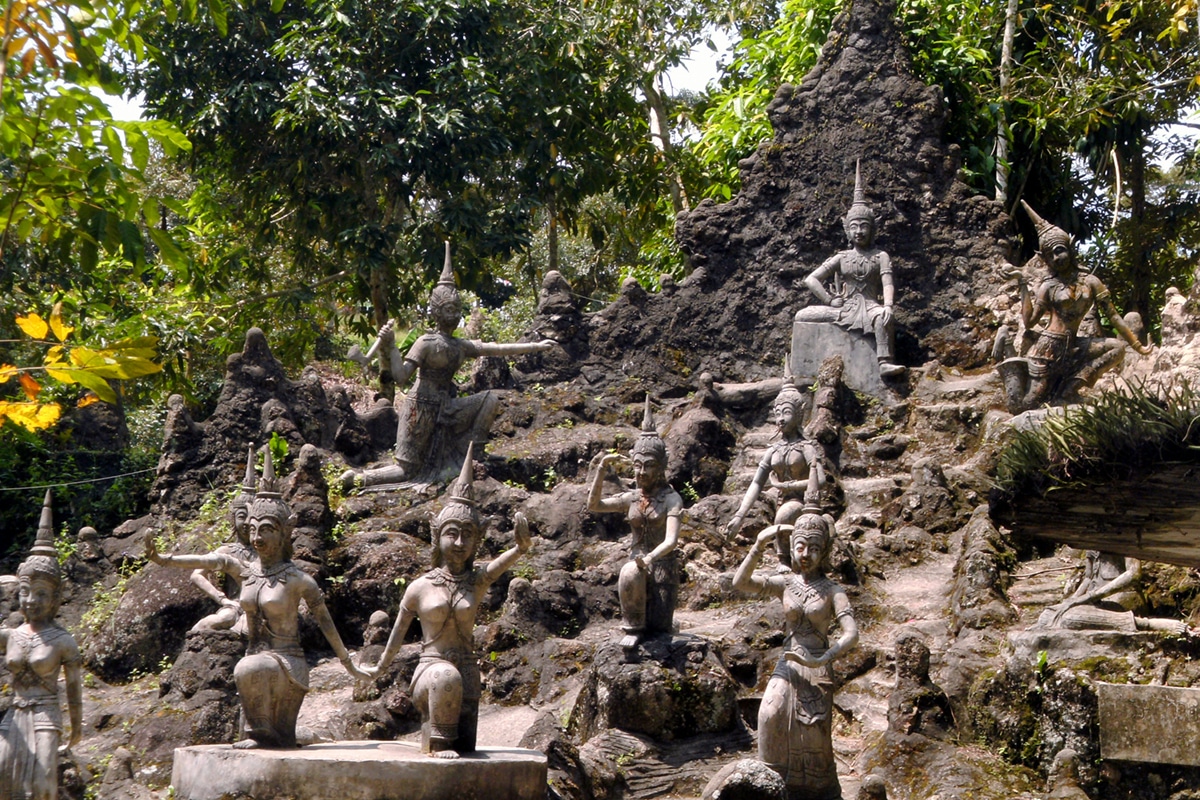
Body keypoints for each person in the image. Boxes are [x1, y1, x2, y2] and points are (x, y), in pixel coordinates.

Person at [147, 450, 365, 748]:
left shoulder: (298, 579)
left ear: (284, 533)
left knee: (271, 721)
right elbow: (209, 561)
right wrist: (164, 559)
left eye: (266, 530)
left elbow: (326, 623)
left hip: (287, 663)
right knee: (257, 709)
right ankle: (272, 733)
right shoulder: (244, 570)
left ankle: (276, 733)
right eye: (252, 529)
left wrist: (348, 663)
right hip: (254, 660)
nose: (257, 538)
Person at [359, 444, 532, 757]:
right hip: (431, 675)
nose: (460, 543)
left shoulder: (475, 581)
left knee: (466, 745)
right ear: (437, 535)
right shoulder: (420, 587)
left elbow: (497, 568)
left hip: (466, 673)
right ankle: (438, 743)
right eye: (452, 533)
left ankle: (449, 740)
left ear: (478, 538)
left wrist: (520, 548)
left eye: (468, 535)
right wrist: (377, 669)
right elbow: (396, 638)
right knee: (446, 679)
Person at [343, 243, 556, 488]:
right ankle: (359, 479)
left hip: (447, 408)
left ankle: (472, 455)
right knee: (406, 469)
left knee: (489, 399)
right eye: (449, 309)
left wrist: (536, 346)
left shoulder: (460, 345)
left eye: (457, 309)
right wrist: (390, 346)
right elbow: (401, 377)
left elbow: (498, 348)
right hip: (419, 409)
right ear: (436, 312)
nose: (454, 315)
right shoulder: (424, 342)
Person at [732, 510, 858, 800]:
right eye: (800, 546)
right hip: (788, 662)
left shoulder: (833, 590)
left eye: (814, 548)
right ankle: (769, 786)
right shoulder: (785, 582)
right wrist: (759, 544)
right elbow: (741, 582)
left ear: (824, 551)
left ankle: (817, 791)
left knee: (812, 733)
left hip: (817, 666)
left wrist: (824, 658)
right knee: (769, 714)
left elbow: (852, 634)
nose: (806, 554)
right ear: (791, 548)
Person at [997, 201, 1152, 413]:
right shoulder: (1048, 286)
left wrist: (1137, 345)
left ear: (1070, 249)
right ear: (1045, 260)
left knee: (1117, 348)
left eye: (1059, 251)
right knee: (1023, 406)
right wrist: (1022, 282)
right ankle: (1008, 355)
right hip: (1047, 350)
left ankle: (1070, 389)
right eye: (1050, 255)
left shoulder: (1091, 282)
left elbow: (1114, 316)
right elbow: (1029, 321)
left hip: (1074, 347)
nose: (1056, 258)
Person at [0, 490, 83, 800]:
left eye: (41, 593)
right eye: (25, 591)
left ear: (56, 599)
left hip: (47, 716)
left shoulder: (63, 641)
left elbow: (74, 692)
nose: (31, 600)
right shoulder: (10, 635)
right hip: (14, 714)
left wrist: (76, 728)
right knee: (2, 778)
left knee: (44, 784)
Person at [587, 397, 682, 651]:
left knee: (661, 629)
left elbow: (671, 541)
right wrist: (600, 470)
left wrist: (650, 558)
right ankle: (632, 628)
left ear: (661, 467)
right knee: (630, 571)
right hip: (636, 566)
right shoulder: (632, 497)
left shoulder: (671, 499)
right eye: (637, 466)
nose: (641, 473)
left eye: (649, 466)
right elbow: (594, 505)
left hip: (662, 566)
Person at [794, 162, 903, 378]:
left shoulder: (880, 256)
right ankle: (803, 369)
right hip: (844, 308)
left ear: (872, 229)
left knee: (882, 317)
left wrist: (888, 305)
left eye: (864, 226)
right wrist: (828, 300)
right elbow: (811, 279)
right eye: (854, 227)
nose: (859, 231)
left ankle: (884, 362)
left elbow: (887, 283)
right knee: (802, 314)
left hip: (871, 307)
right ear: (847, 230)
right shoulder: (842, 257)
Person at [723, 375, 825, 551]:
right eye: (778, 414)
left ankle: (784, 557)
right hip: (778, 501)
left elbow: (820, 481)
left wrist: (787, 485)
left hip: (804, 503)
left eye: (786, 412)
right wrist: (740, 516)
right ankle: (782, 557)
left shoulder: (806, 448)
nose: (781, 419)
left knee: (784, 516)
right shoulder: (774, 450)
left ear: (799, 413)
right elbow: (756, 483)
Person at [188, 445, 256, 634]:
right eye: (242, 516)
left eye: (255, 516)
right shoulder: (228, 551)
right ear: (233, 519)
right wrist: (222, 598)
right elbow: (196, 575)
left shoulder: (268, 551)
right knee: (214, 622)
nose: (248, 522)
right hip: (235, 605)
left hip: (264, 608)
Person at [1037, 550, 1189, 634]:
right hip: (1093, 599)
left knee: (1070, 618)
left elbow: (1133, 574)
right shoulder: (1090, 539)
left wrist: (1093, 596)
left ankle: (1148, 624)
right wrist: (1071, 601)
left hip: (1121, 596)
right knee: (1047, 616)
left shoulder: (1124, 534)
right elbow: (1089, 578)